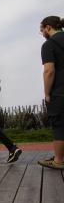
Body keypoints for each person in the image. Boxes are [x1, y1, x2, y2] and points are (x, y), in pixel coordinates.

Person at [38, 16, 64, 170]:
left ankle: (59, 160)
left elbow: (49, 71)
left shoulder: (49, 44)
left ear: (48, 27)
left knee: (59, 125)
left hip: (60, 91)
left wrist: (47, 93)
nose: (42, 33)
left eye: (42, 30)